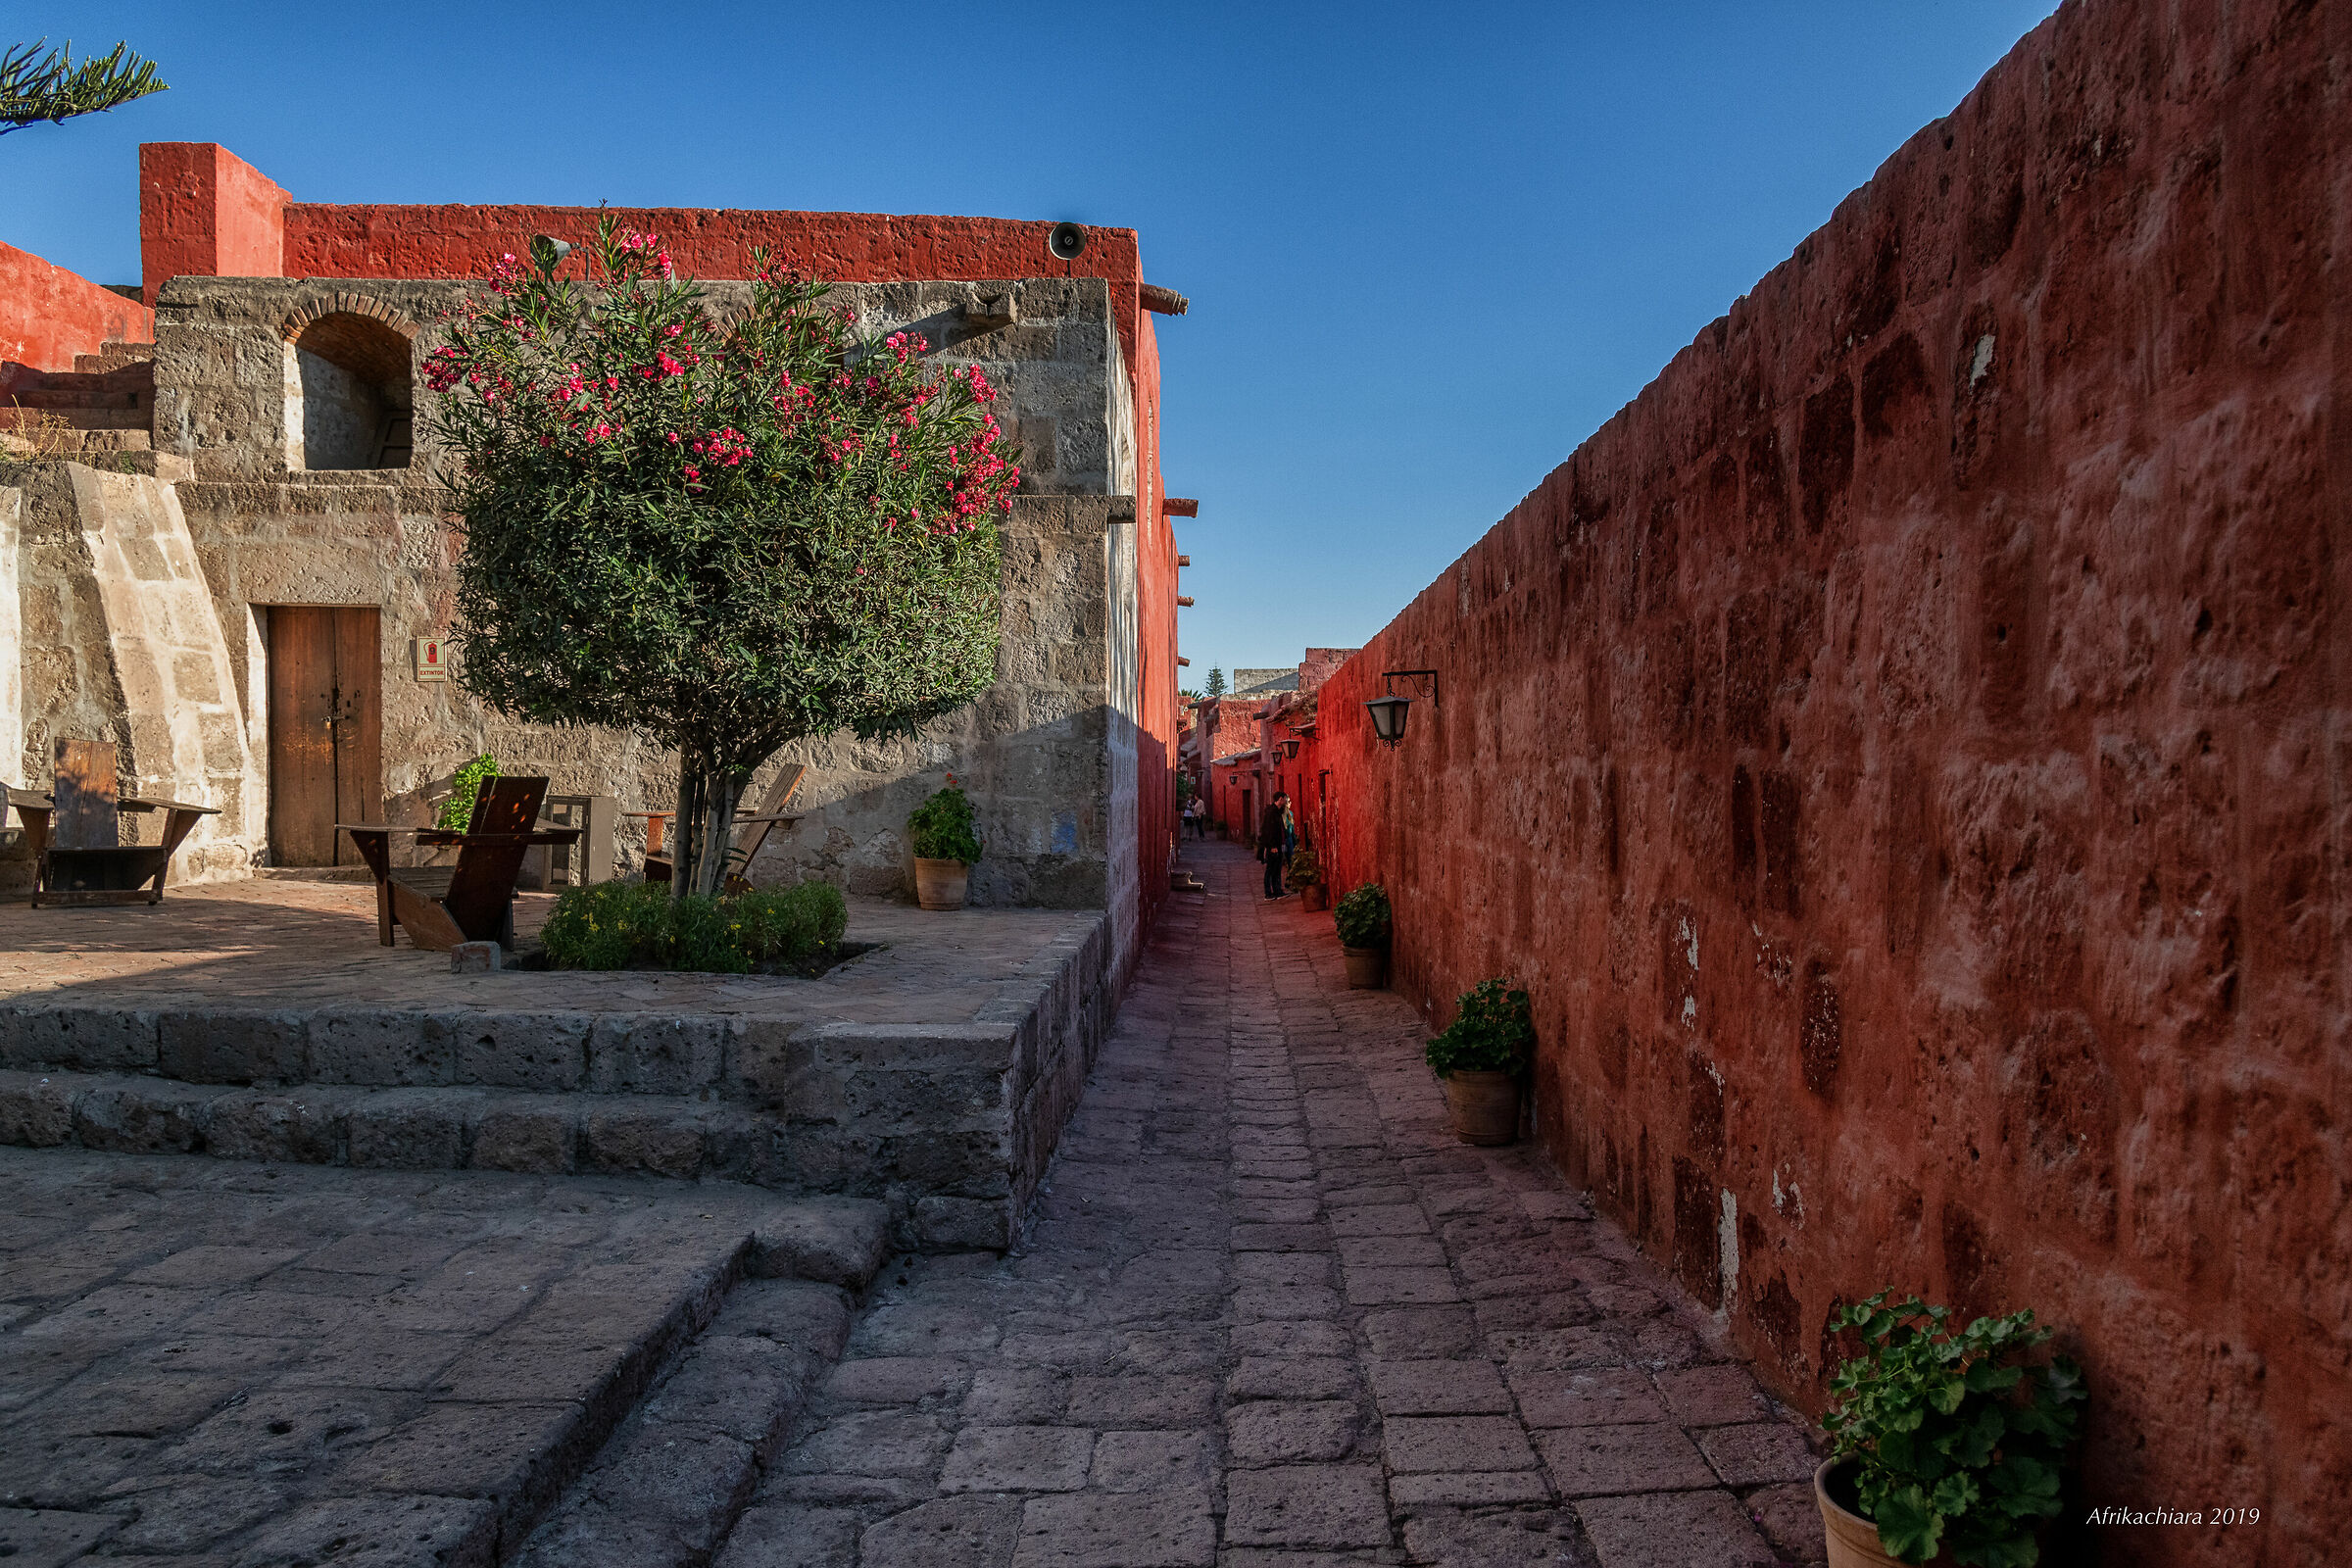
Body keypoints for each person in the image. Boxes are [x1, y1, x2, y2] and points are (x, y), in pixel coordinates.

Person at [1259, 792, 1289, 900]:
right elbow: (1269, 830)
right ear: (1280, 799)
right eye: (1285, 799)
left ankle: (1277, 891)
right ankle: (1268, 893)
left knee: (1276, 869)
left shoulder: (1277, 811)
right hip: (1273, 846)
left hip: (1278, 844)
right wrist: (1272, 846)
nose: (1286, 801)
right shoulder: (1271, 812)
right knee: (1271, 869)